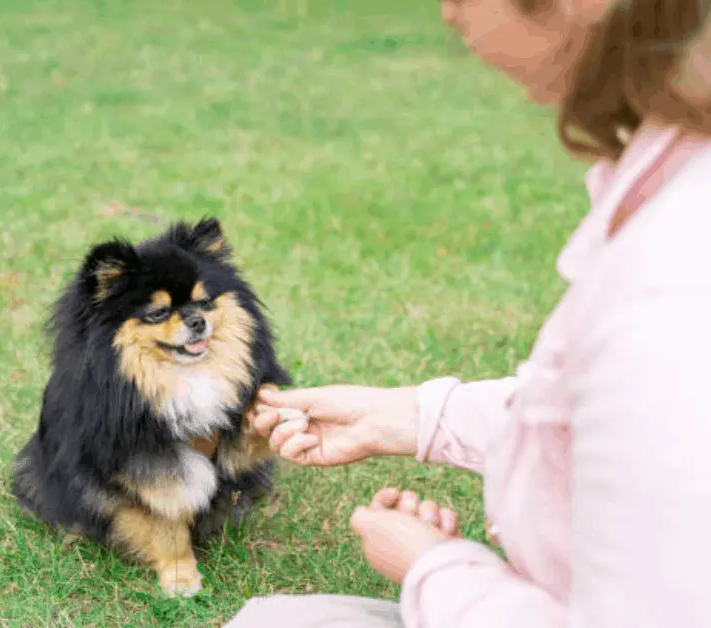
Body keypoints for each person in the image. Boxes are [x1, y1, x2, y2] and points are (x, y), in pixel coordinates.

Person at [226, 1, 711, 626]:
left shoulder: (668, 290)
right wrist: (404, 417)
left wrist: (435, 569)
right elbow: (609, 412)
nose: (448, 12)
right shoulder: (675, 178)